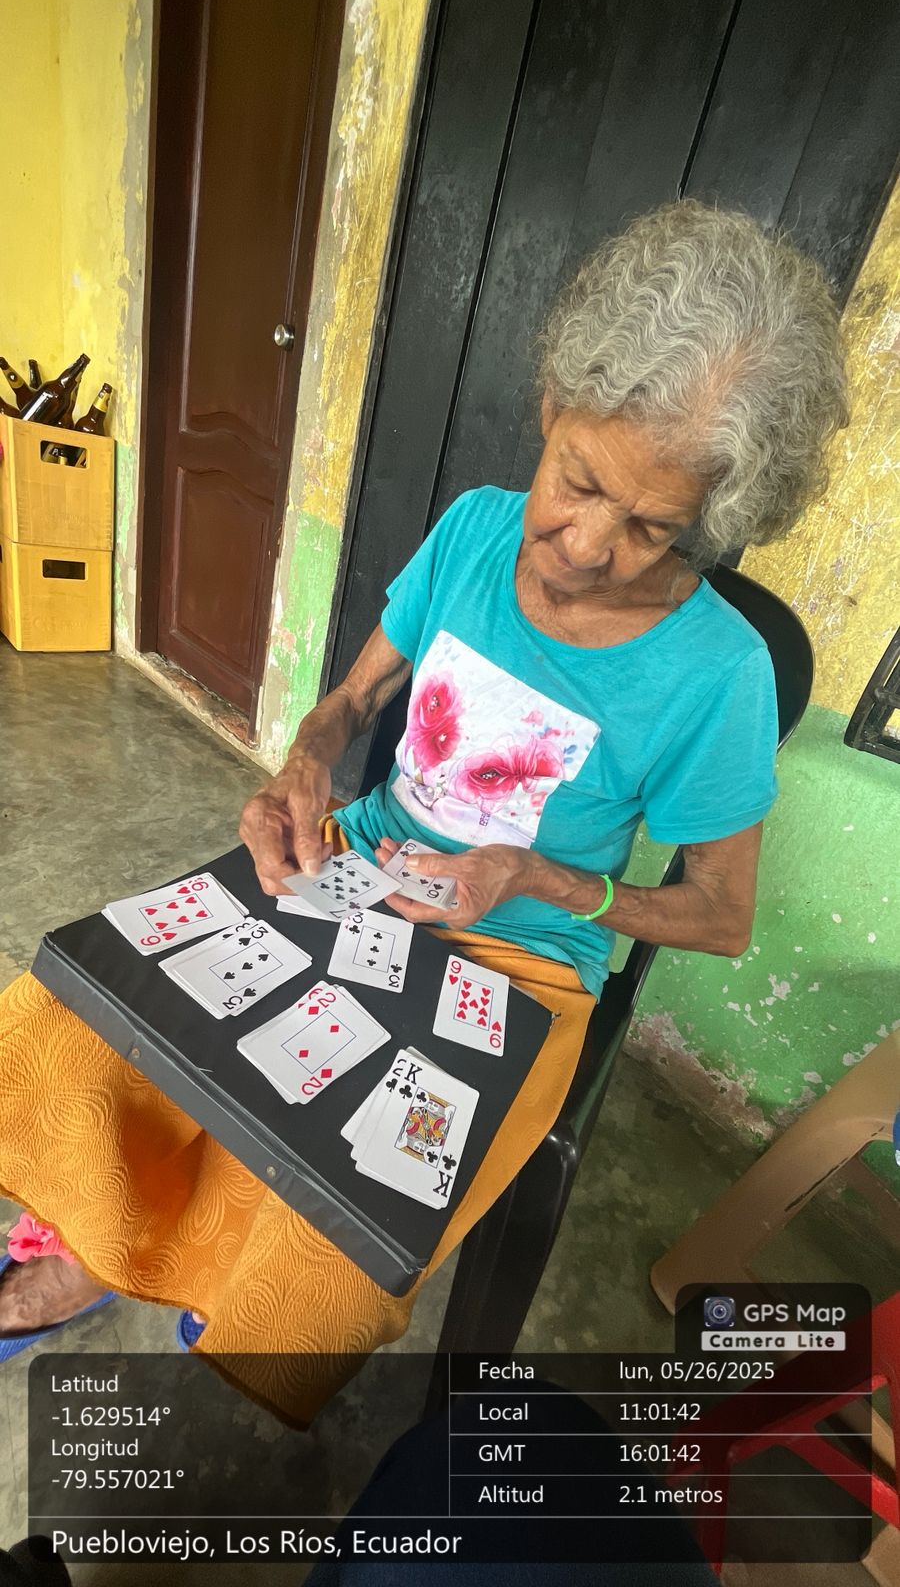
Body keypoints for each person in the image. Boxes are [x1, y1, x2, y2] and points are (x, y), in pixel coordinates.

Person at [0, 202, 847, 1421]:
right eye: (579, 482)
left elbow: (722, 914)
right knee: (84, 1019)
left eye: (653, 527)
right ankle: (96, 1248)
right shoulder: (475, 531)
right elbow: (354, 699)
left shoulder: (720, 672)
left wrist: (537, 876)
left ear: (708, 518)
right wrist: (304, 762)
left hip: (522, 960)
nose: (588, 545)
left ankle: (225, 1290)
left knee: (345, 1193)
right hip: (362, 859)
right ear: (552, 405)